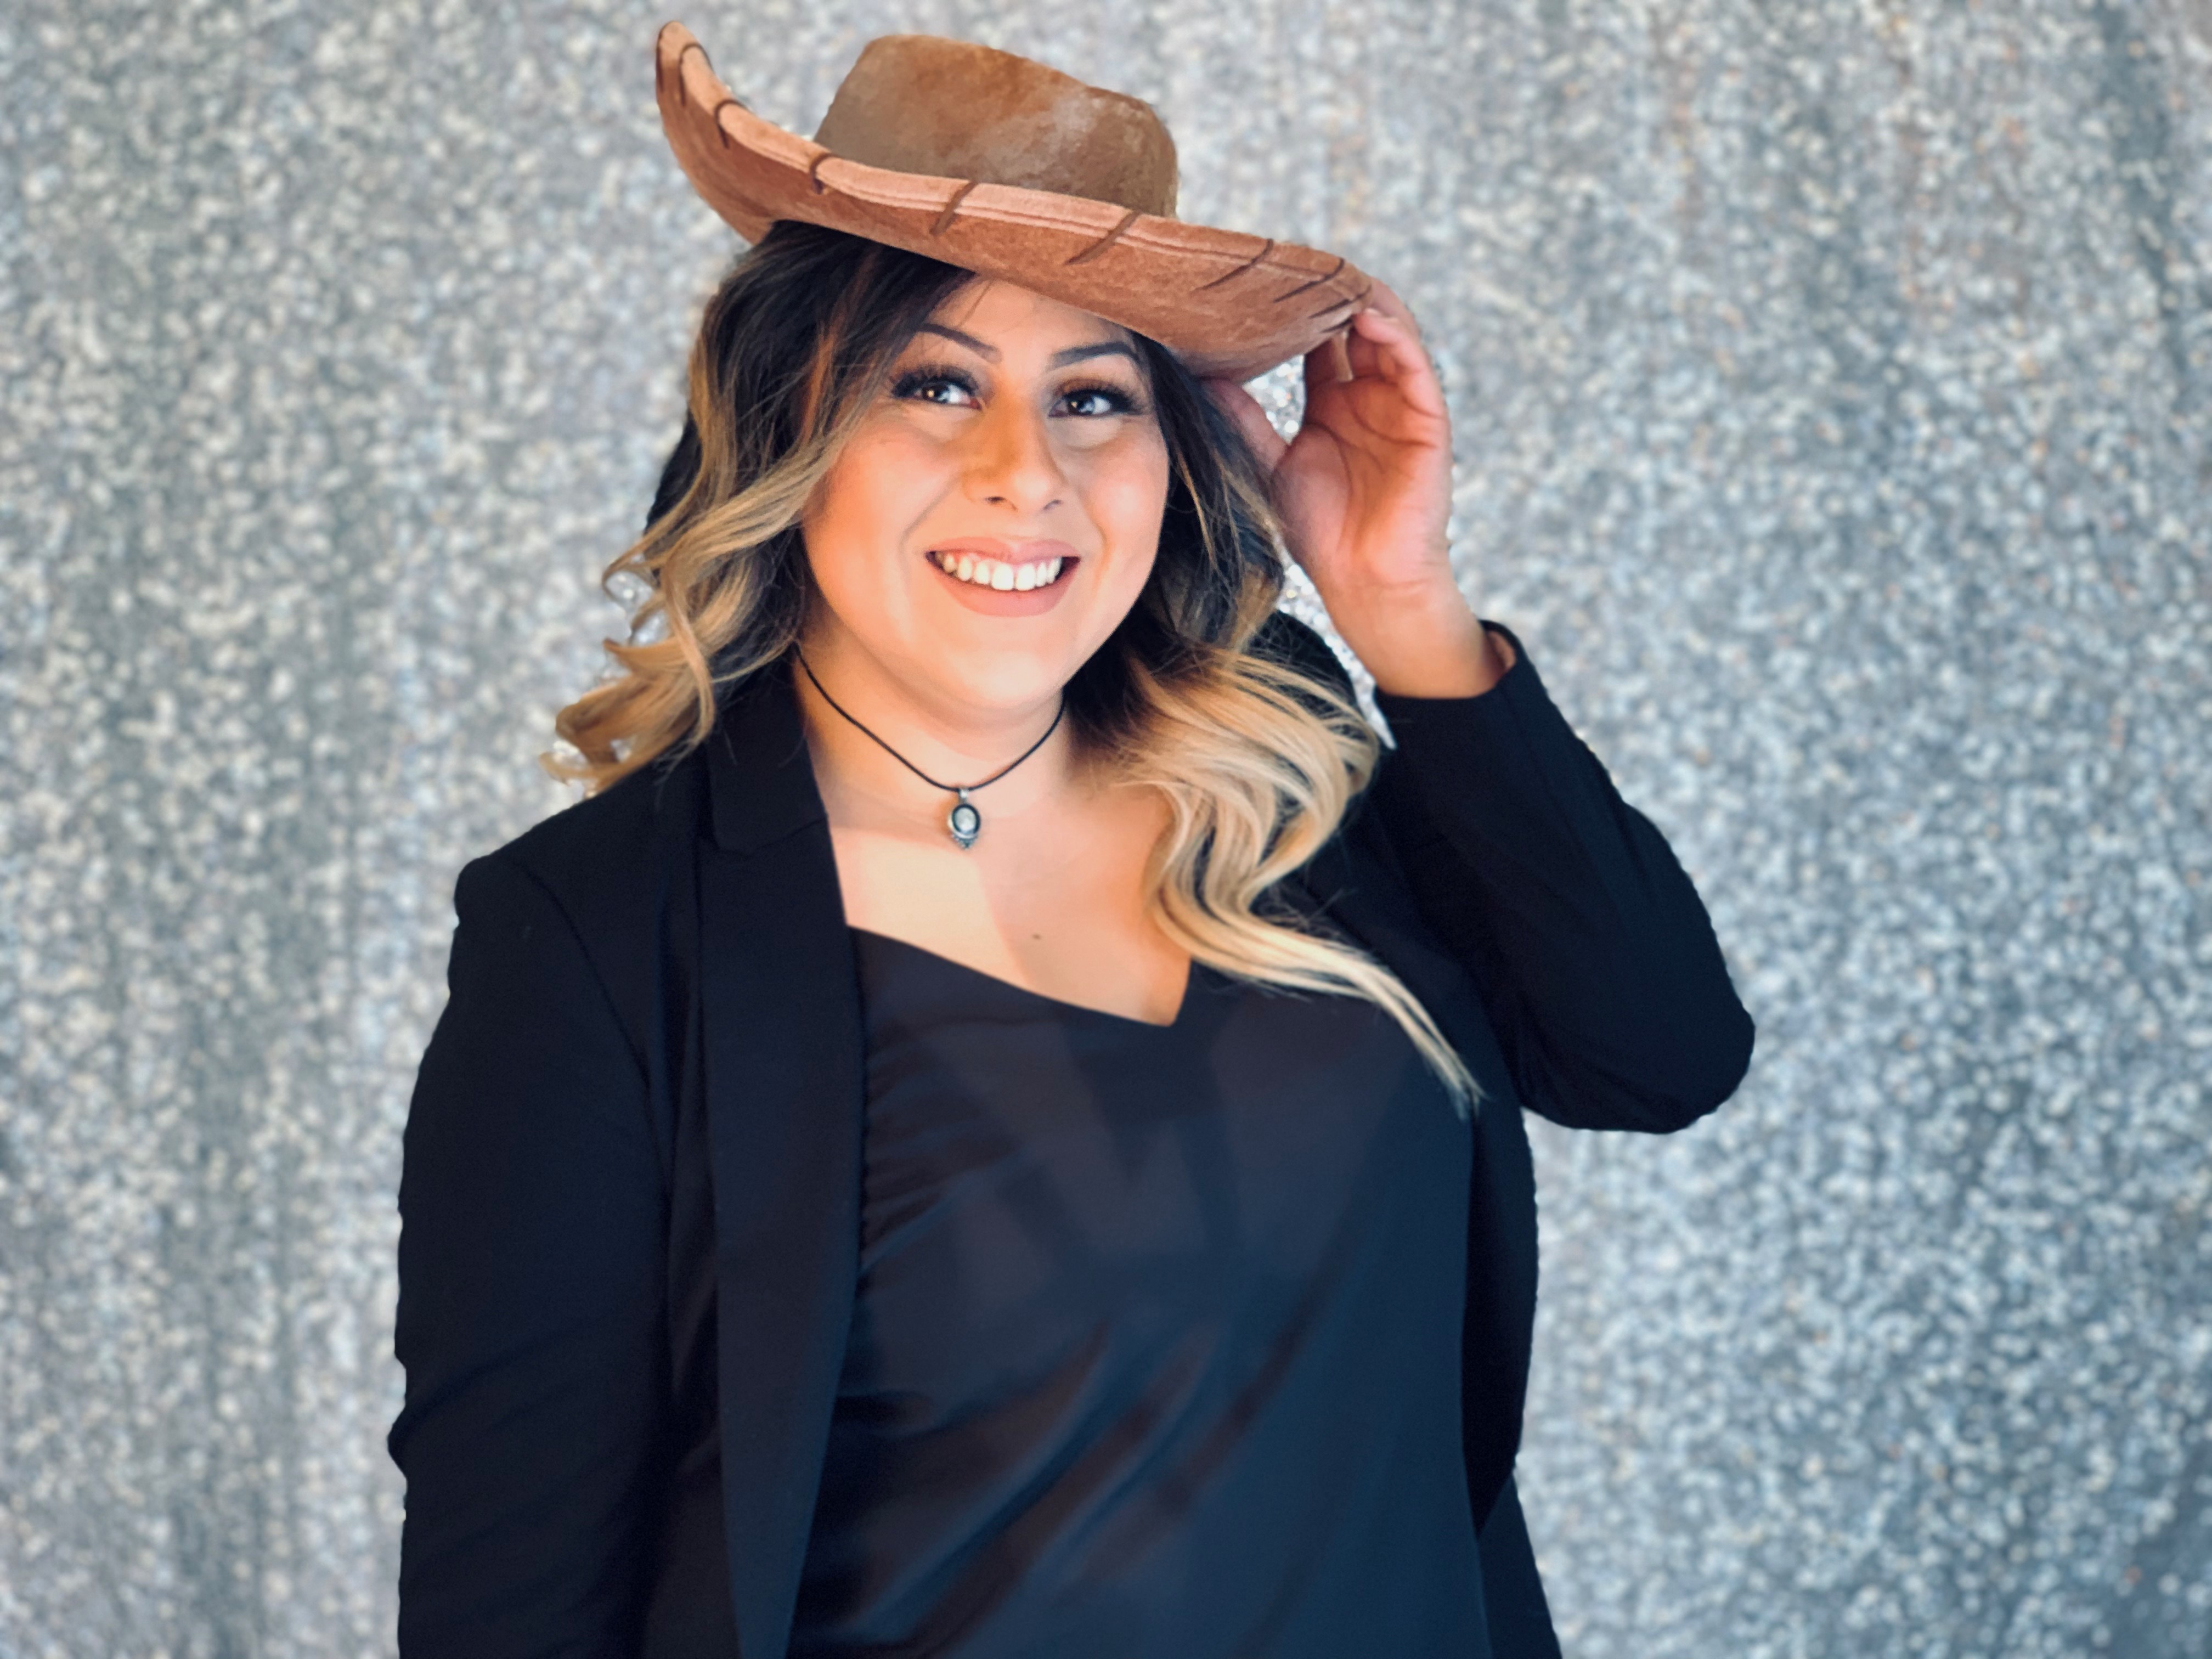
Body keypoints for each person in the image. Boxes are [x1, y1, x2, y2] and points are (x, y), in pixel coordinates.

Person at [387, 22, 1755, 1659]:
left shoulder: (1284, 758)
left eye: (1093, 397)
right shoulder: (596, 943)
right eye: (934, 384)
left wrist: (1401, 610)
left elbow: (1658, 1053)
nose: (1024, 474)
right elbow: (512, 1605)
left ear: (1176, 455)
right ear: (785, 425)